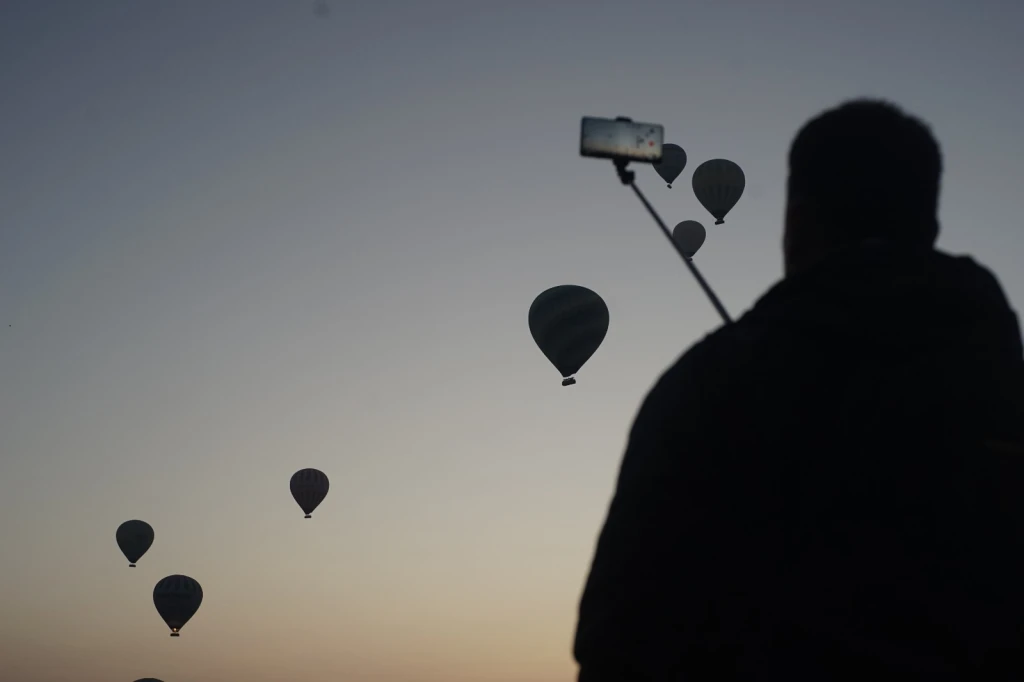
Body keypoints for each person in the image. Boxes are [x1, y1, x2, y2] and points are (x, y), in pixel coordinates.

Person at [573, 99, 1024, 680]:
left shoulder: (709, 390)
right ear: (930, 228)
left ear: (797, 221)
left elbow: (621, 641)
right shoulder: (1003, 391)